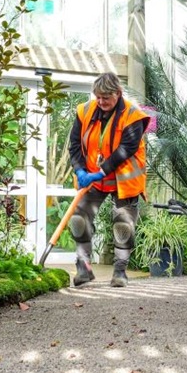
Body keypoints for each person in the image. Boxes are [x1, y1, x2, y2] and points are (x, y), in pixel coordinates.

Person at [67, 72, 151, 287]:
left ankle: (120, 272)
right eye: (98, 97)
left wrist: (101, 171)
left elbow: (127, 149)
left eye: (107, 97)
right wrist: (79, 170)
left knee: (123, 224)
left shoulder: (133, 115)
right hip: (93, 179)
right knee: (79, 219)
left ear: (118, 93)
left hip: (123, 180)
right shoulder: (84, 111)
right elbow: (75, 145)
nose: (102, 102)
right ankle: (84, 267)